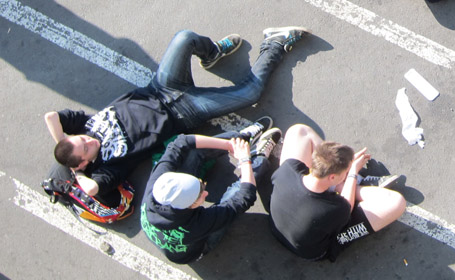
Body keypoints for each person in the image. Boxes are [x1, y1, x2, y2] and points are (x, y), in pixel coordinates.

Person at [45, 26, 308, 200]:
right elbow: (91, 189)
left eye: (81, 138)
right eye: (86, 148)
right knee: (251, 93)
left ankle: (212, 52)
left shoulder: (85, 126)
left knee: (184, 37)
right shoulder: (109, 165)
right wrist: (77, 173)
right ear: (83, 163)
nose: (89, 140)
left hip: (160, 87)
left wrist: (63, 143)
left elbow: (51, 117)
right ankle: (274, 43)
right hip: (183, 113)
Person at [140, 127, 281, 263]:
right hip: (199, 245)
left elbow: (180, 142)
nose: (206, 193)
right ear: (190, 207)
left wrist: (229, 144)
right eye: (200, 194)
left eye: (201, 185)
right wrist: (245, 160)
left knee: (194, 152)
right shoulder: (196, 225)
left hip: (176, 227)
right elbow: (245, 196)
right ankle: (260, 156)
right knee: (235, 192)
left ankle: (240, 139)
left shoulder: (157, 183)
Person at [267, 124, 406, 261]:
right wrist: (352, 174)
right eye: (344, 172)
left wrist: (344, 168)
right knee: (397, 202)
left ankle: (338, 184)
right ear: (332, 177)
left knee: (299, 130)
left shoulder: (287, 168)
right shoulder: (334, 208)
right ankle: (354, 184)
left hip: (277, 228)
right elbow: (347, 205)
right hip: (313, 250)